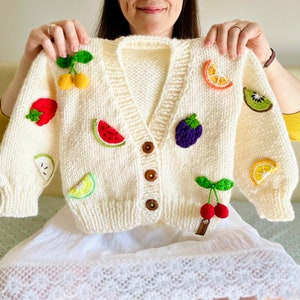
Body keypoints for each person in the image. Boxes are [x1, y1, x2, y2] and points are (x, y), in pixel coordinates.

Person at [0, 1, 299, 299]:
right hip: (94, 223)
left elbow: (285, 128)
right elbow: (18, 134)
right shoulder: (73, 63)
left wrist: (265, 60)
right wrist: (30, 66)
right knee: (15, 285)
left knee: (268, 286)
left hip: (201, 223)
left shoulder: (222, 62)